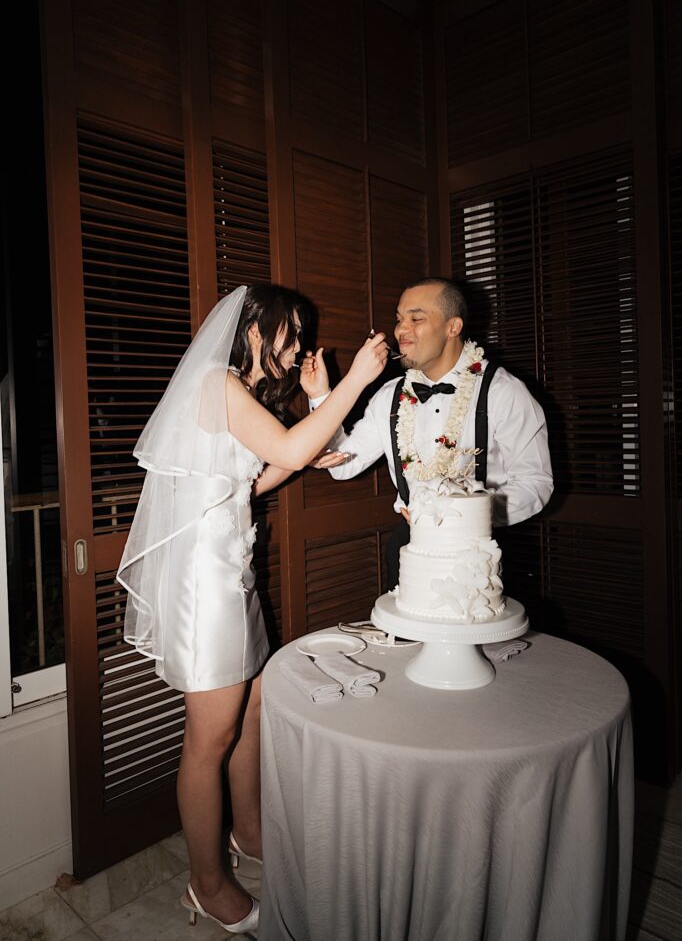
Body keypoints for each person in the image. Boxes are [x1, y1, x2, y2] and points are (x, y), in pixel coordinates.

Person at [116, 283, 388, 935]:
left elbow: (253, 476)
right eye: (289, 335)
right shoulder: (216, 383)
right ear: (254, 330)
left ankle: (248, 831)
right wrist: (354, 382)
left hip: (228, 577)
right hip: (203, 590)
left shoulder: (230, 391)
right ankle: (206, 885)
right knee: (208, 738)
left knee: (257, 702)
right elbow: (286, 448)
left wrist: (302, 459)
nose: (297, 350)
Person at [302, 277, 553, 586]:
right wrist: (320, 396)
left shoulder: (503, 392)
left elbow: (536, 484)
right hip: (410, 549)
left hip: (484, 550)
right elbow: (344, 464)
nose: (400, 330)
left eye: (416, 319)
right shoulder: (389, 396)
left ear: (453, 326)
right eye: (398, 319)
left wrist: (465, 516)